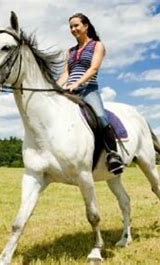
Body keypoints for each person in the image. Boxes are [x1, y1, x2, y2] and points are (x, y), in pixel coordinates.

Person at [57, 13, 124, 174]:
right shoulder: (70, 51)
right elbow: (66, 73)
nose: (73, 29)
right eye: (71, 27)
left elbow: (93, 68)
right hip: (70, 90)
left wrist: (77, 84)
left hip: (88, 90)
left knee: (100, 116)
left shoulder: (97, 46)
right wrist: (56, 87)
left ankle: (113, 155)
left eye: (76, 25)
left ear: (86, 26)